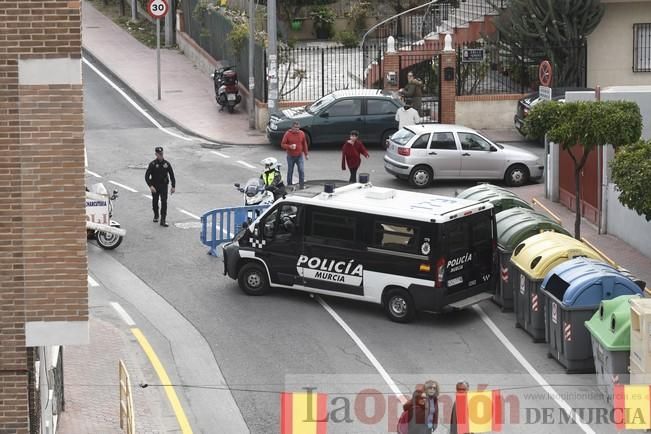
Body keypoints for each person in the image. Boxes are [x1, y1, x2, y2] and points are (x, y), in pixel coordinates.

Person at [145, 146, 176, 227]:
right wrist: (150, 186)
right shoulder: (152, 164)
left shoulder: (167, 164)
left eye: (162, 154)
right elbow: (147, 176)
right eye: (159, 154)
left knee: (164, 202)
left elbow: (172, 175)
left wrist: (173, 186)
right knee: (155, 202)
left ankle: (163, 220)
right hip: (155, 186)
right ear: (156, 154)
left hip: (163, 186)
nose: (161, 155)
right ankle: (156, 215)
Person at [280, 121, 309, 189]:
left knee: (301, 170)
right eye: (295, 127)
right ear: (292, 127)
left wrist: (306, 154)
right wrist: (289, 146)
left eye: (298, 127)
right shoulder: (287, 134)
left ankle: (301, 185)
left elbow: (304, 144)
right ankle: (289, 185)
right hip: (290, 156)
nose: (297, 129)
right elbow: (282, 144)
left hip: (299, 155)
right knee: (290, 171)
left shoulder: (302, 133)